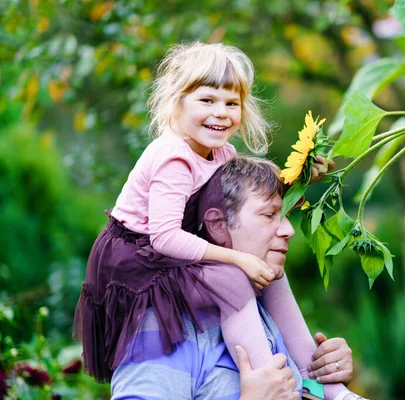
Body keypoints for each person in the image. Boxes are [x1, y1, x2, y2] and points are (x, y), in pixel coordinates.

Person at [72, 41, 332, 383]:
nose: (221, 112)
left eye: (231, 103)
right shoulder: (174, 158)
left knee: (269, 273)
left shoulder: (220, 152)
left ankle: (319, 383)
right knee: (235, 279)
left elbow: (252, 198)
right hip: (137, 260)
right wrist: (238, 259)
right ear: (177, 102)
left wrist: (303, 179)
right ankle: (267, 379)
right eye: (207, 100)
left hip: (175, 247)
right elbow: (164, 237)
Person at [110, 156, 363, 400]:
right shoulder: (167, 327)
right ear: (218, 225)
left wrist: (328, 380)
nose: (289, 231)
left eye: (286, 215)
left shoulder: (264, 311)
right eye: (269, 215)